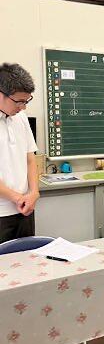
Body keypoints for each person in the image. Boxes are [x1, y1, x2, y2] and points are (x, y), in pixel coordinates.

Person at [0, 63, 39, 244]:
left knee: (28, 257)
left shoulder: (20, 117)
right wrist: (17, 198)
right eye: (19, 101)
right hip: (2, 213)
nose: (23, 107)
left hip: (25, 210)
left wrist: (34, 192)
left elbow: (30, 158)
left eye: (26, 101)